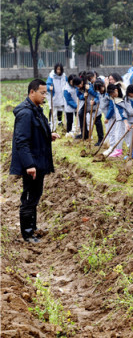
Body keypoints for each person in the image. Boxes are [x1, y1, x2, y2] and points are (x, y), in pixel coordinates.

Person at [10, 79, 60, 243]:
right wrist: (29, 165)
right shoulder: (26, 113)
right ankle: (27, 233)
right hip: (31, 163)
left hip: (38, 161)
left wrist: (48, 135)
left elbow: (35, 130)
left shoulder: (36, 110)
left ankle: (33, 227)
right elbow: (22, 141)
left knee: (36, 195)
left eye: (46, 92)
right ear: (32, 92)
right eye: (42, 93)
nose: (45, 96)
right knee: (29, 197)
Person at [45, 63, 66, 130]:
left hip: (61, 94)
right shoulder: (51, 76)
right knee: (53, 109)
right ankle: (51, 124)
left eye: (59, 69)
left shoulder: (64, 76)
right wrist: (49, 88)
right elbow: (47, 84)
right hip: (54, 95)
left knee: (60, 108)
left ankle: (60, 122)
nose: (58, 71)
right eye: (57, 69)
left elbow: (67, 83)